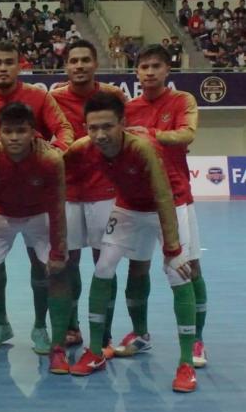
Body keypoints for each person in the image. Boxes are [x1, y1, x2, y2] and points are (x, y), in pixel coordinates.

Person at [66, 92, 197, 393]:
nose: (100, 135)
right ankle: (96, 351)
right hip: (129, 207)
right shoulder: (83, 148)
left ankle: (186, 363)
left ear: (123, 124)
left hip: (168, 204)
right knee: (103, 268)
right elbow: (55, 166)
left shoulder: (143, 147)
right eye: (93, 128)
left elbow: (163, 195)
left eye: (108, 127)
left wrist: (173, 250)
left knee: (177, 273)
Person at [0, 40, 73, 354]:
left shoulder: (39, 96)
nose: (3, 68)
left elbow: (64, 130)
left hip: (37, 199)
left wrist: (51, 154)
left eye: (9, 61)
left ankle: (40, 327)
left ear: (20, 64)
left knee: (43, 266)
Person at [0, 103, 68, 371]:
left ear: (33, 132)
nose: (14, 137)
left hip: (39, 215)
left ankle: (54, 343)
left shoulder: (50, 159)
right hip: (0, 215)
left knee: (57, 272)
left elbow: (58, 206)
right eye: (8, 131)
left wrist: (58, 252)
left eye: (21, 131)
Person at [124, 44, 207, 368]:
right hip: (138, 202)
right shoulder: (128, 107)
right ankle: (140, 334)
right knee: (136, 268)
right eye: (144, 67)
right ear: (136, 72)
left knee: (189, 268)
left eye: (156, 66)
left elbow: (187, 134)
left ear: (167, 71)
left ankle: (197, 340)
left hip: (176, 198)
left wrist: (151, 134)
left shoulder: (182, 101)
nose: (150, 72)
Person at [50, 39, 127, 354]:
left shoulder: (114, 97)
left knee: (104, 263)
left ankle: (105, 331)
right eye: (73, 61)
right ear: (66, 66)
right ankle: (70, 325)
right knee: (68, 263)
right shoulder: (52, 99)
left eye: (85, 60)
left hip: (105, 193)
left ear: (96, 63)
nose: (79, 65)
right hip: (65, 194)